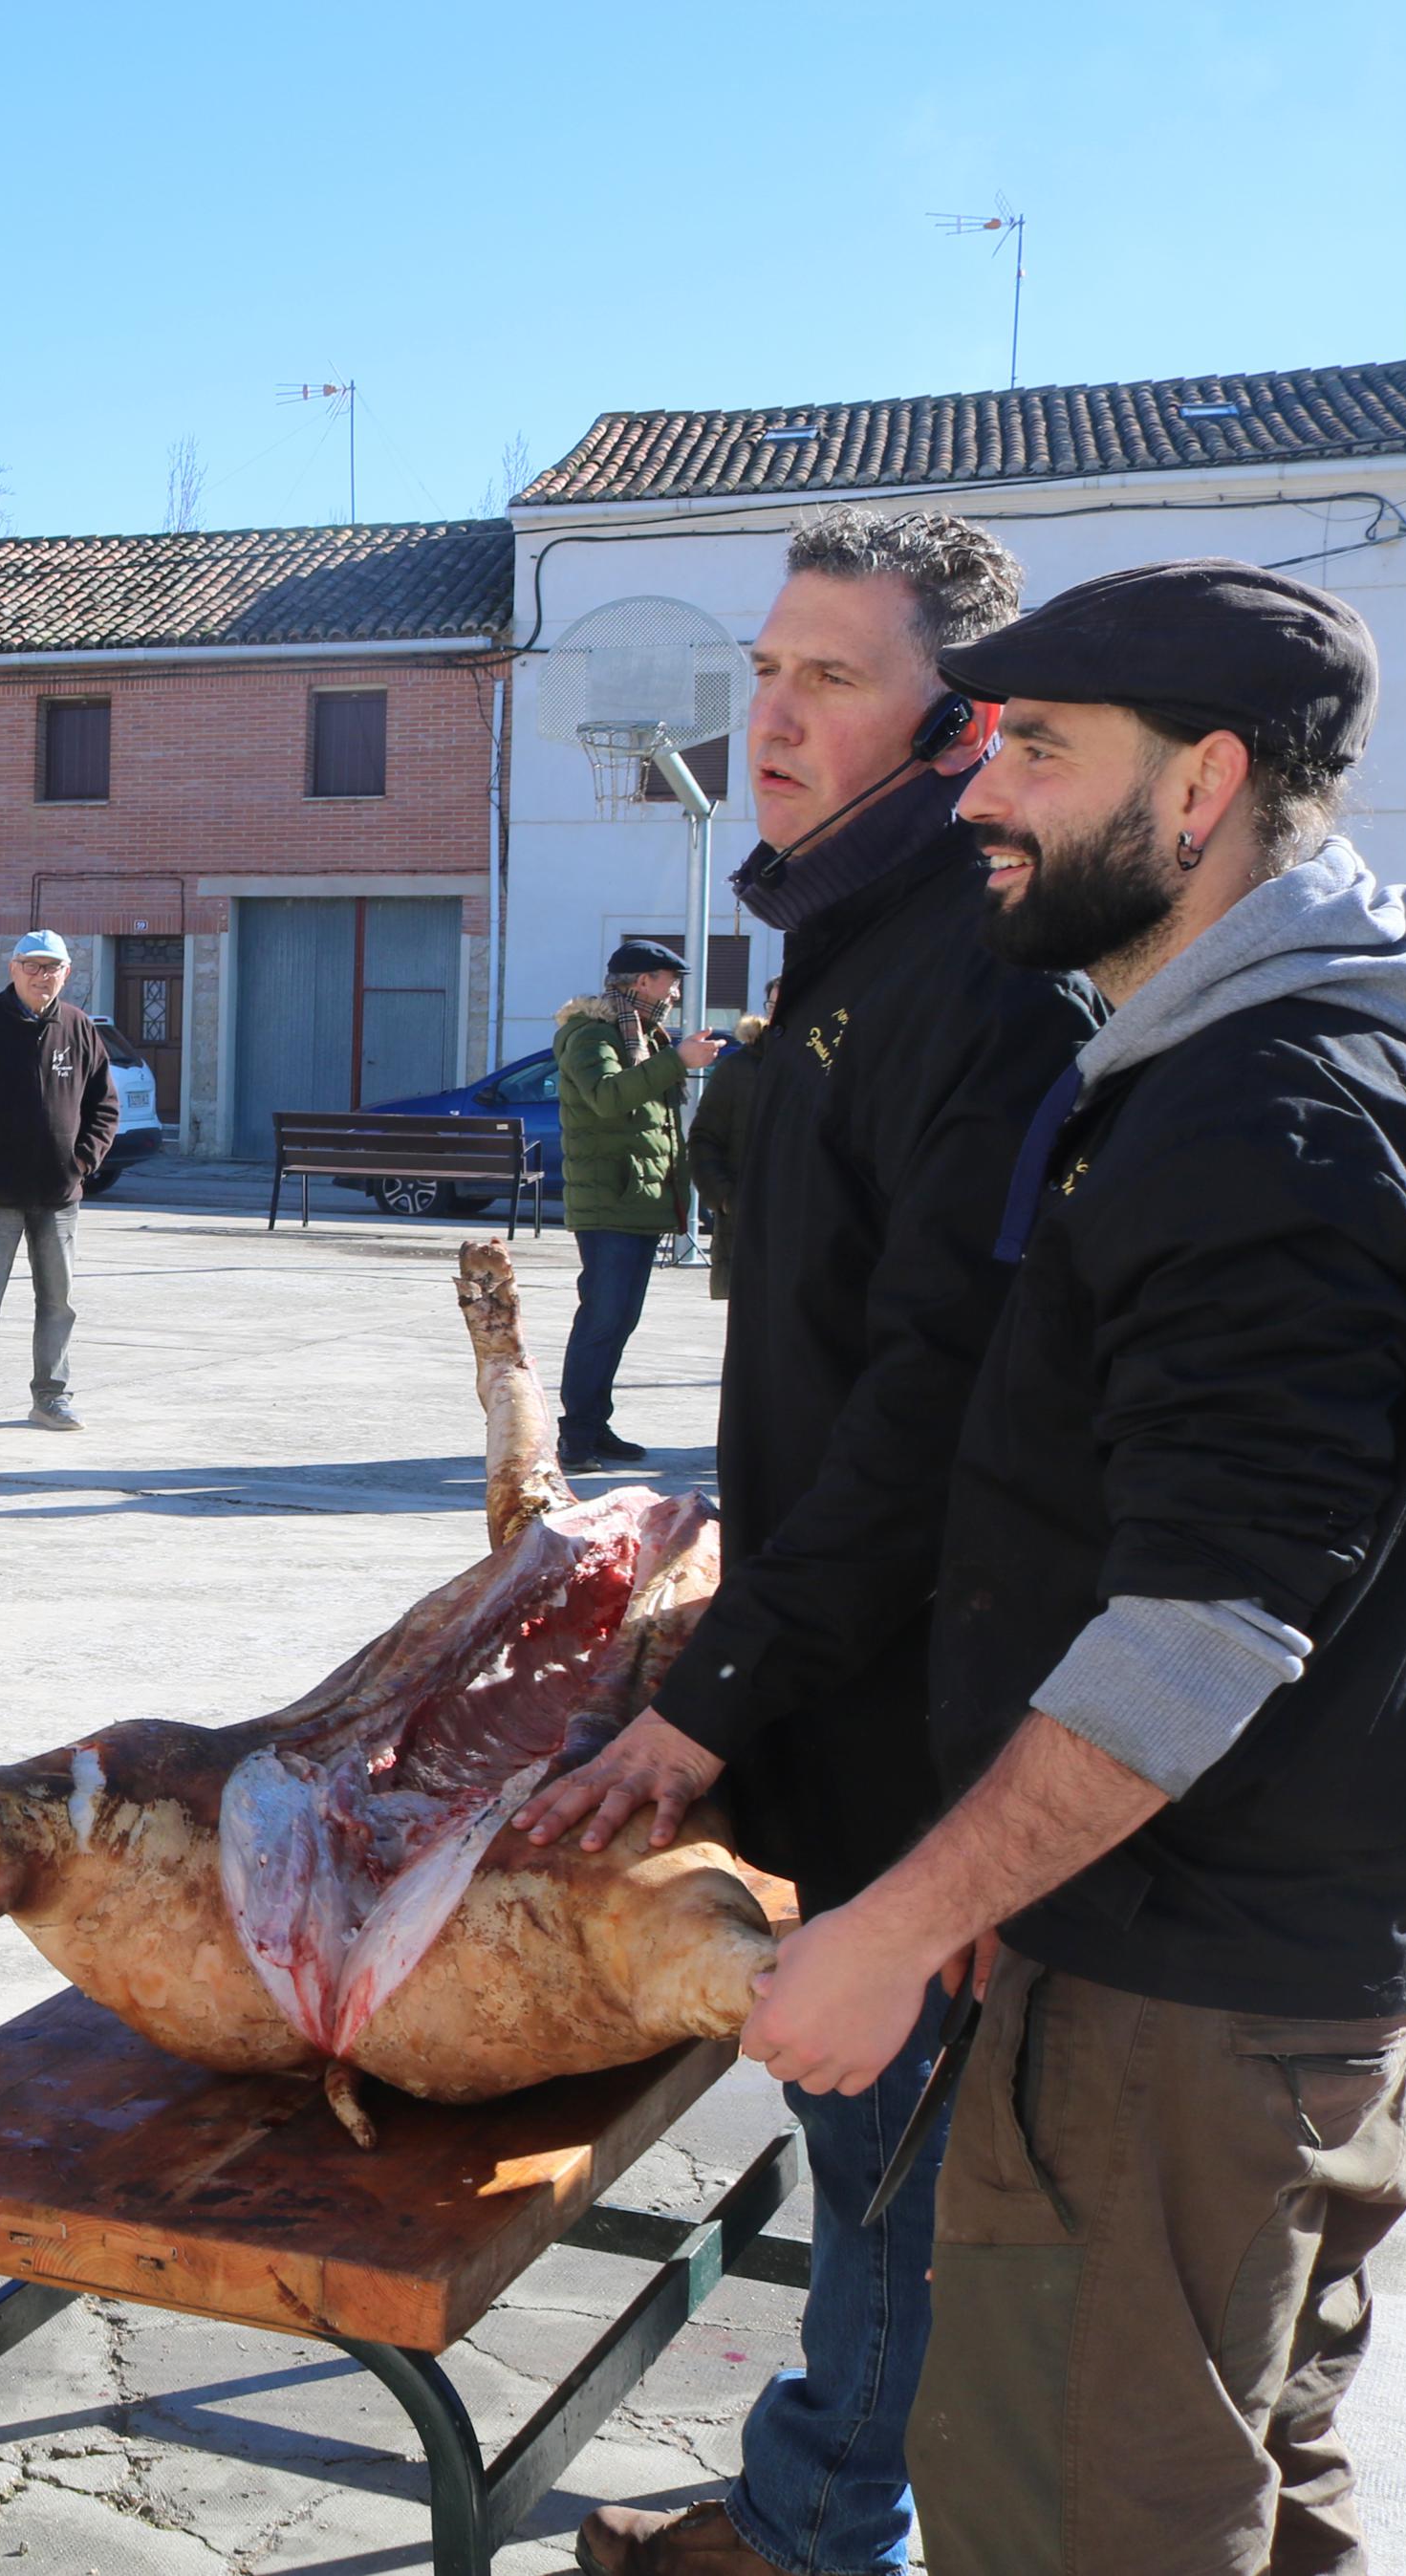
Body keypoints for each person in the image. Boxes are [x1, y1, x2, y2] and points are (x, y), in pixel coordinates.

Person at [732, 562, 1406, 2572]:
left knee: (1083, 2522)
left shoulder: (1264, 1119)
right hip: (1246, 1974)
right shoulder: (1204, 1078)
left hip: (1188, 2011)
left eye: (1032, 749)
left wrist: (896, 1917)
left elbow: (1198, 1631)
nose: (978, 794)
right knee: (1236, 2500)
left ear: (1197, 789)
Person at [517, 510, 1096, 2576]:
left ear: (958, 731)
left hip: (921, 1701)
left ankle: (811, 2531)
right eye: (764, 667)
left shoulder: (981, 980)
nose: (764, 712)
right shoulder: (851, 940)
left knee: (890, 2158)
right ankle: (824, 2495)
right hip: (828, 1647)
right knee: (870, 2153)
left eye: (824, 676)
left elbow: (931, 1403)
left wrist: (717, 1691)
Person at [0, 927, 117, 1435]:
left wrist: (81, 1163)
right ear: (13, 969)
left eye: (51, 967)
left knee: (59, 1303)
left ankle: (52, 1398)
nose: (41, 976)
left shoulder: (78, 1028)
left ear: (66, 974)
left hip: (59, 1199)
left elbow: (104, 1105)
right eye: (31, 966)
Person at [551, 939, 724, 1469]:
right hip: (610, 1203)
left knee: (619, 1318)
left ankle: (594, 1423)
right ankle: (575, 1435)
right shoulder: (591, 1035)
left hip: (637, 1202)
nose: (675, 993)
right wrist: (677, 1061)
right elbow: (607, 1097)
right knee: (602, 1319)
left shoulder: (641, 1035)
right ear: (642, 982)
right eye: (670, 981)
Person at [681, 982, 771, 1304]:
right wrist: (725, 1198)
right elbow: (705, 1138)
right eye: (772, 1004)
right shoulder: (739, 1068)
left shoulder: (830, 1064)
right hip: (747, 1225)